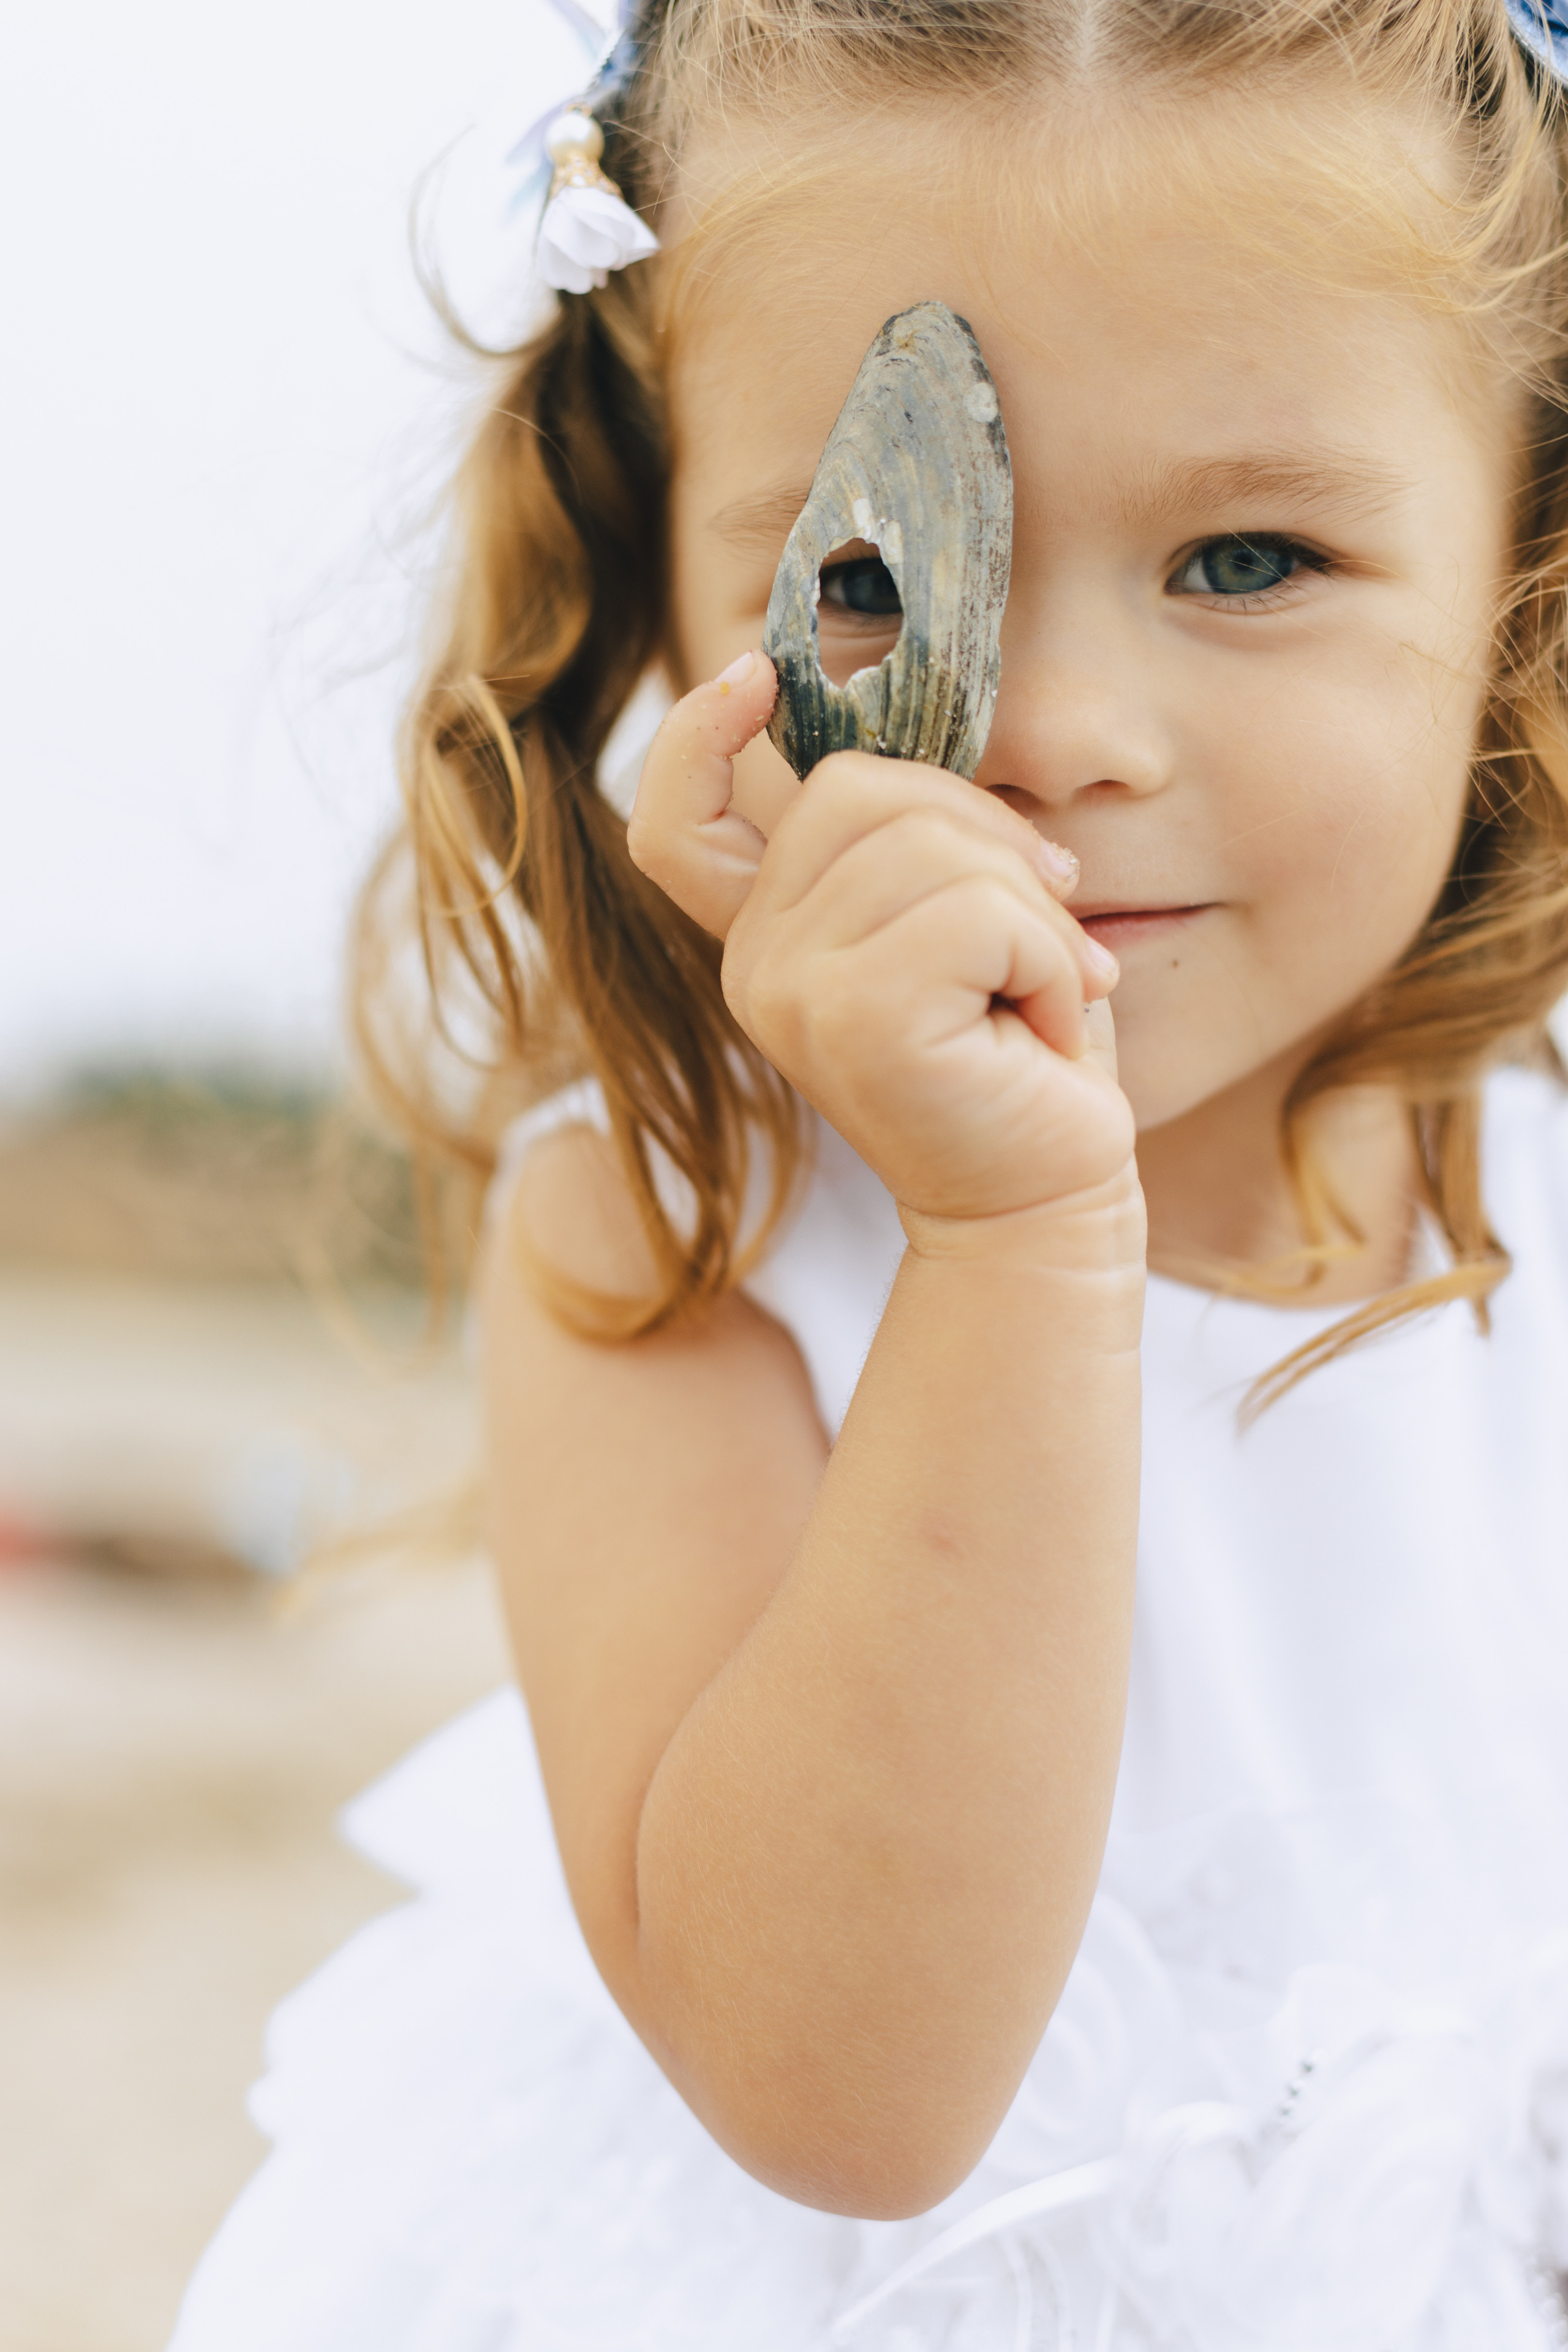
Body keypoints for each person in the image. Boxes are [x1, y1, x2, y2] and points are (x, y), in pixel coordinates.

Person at [169, 0, 1568, 2342]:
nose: (1053, 739)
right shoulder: (673, 1228)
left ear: (1526, 569)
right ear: (661, 574)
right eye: (879, 582)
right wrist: (1010, 1235)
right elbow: (845, 2091)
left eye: (1249, 557)